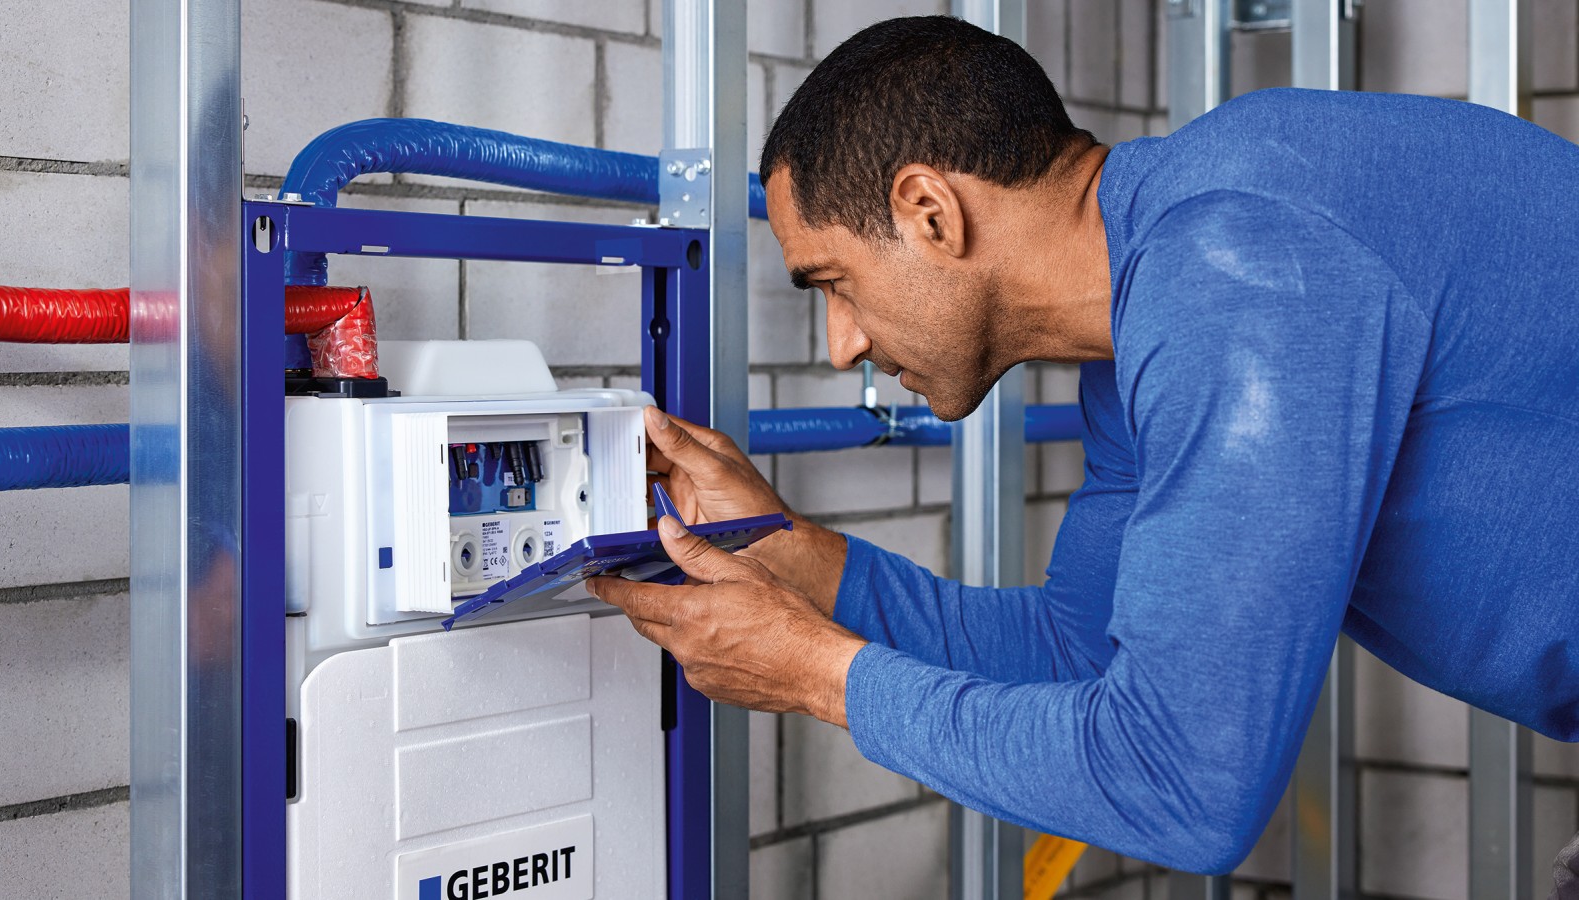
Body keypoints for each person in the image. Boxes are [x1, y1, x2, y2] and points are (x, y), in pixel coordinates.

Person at [587, 15, 1579, 873]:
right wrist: (784, 553)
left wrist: (819, 677)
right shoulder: (1152, 313)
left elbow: (1182, 782)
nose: (843, 341)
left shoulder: (1234, 260)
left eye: (834, 283)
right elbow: (1077, 654)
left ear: (929, 213)